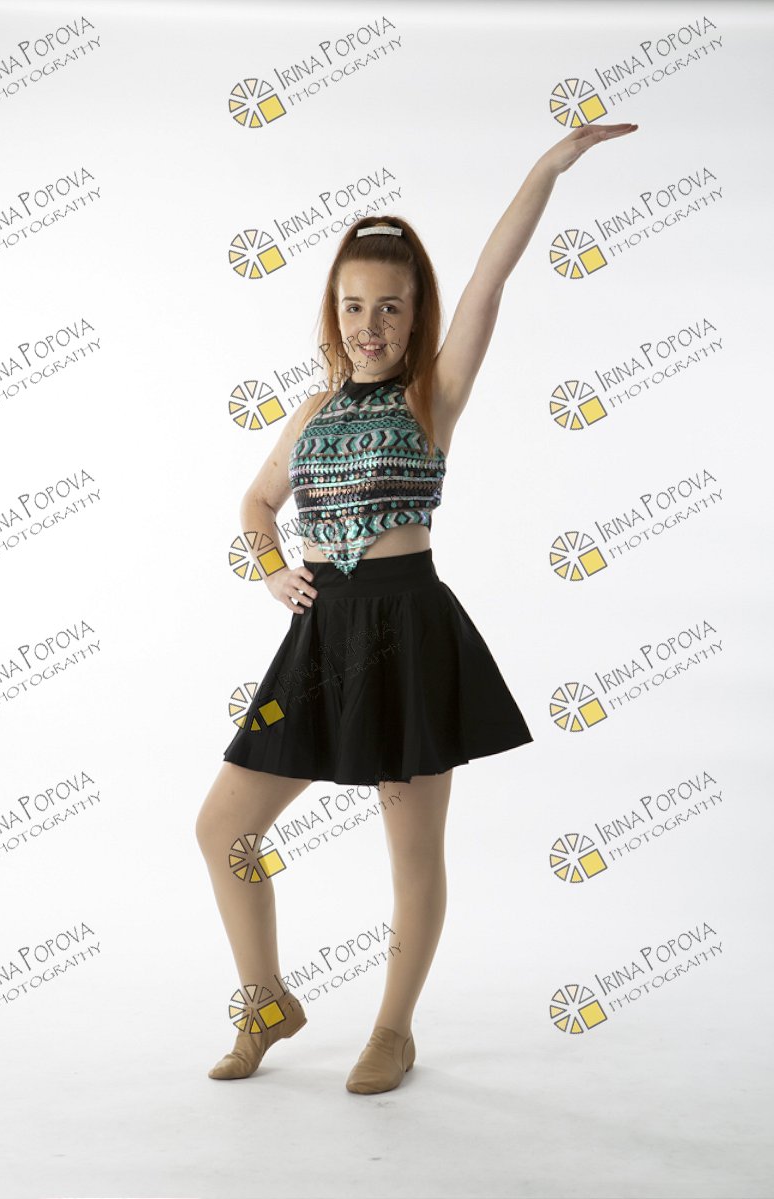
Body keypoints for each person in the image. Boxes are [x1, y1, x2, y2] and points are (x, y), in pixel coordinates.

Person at [195, 121, 639, 1094]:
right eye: (354, 305)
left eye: (390, 308)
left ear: (414, 314)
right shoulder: (311, 410)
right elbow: (255, 503)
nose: (370, 324)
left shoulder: (432, 392)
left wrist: (545, 166)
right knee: (223, 827)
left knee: (410, 849)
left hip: (407, 627)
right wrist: (269, 569)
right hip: (319, 634)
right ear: (333, 311)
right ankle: (266, 999)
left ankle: (392, 1030)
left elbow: (490, 279)